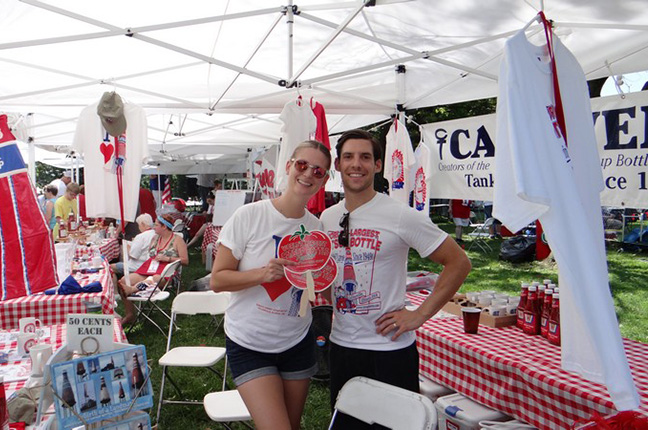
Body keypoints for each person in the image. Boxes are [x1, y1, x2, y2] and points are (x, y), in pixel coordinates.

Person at [319, 129, 471, 430]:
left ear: (378, 165)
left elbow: (459, 262)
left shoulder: (400, 215)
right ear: (338, 165)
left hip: (389, 350)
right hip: (343, 347)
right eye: (348, 157)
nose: (356, 164)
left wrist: (419, 315)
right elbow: (327, 281)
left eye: (365, 157)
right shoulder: (326, 218)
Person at [210, 140, 331, 430]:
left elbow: (312, 286)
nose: (308, 174)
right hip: (249, 342)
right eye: (302, 165)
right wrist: (261, 275)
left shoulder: (317, 228)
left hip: (297, 341)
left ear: (324, 180)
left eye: (318, 171)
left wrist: (323, 281)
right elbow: (217, 280)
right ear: (289, 166)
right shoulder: (250, 216)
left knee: (291, 425)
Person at [118, 213, 189, 326]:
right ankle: (130, 313)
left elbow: (185, 260)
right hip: (150, 269)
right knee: (123, 281)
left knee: (153, 278)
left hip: (166, 274)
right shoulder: (155, 239)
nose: (153, 227)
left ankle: (132, 289)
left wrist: (167, 258)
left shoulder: (177, 240)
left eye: (156, 225)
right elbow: (148, 256)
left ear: (164, 227)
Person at [110, 214, 157, 292]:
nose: (139, 228)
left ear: (142, 224)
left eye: (139, 225)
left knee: (110, 267)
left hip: (138, 265)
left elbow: (133, 255)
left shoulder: (141, 236)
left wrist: (128, 247)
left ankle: (115, 292)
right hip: (150, 265)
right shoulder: (156, 234)